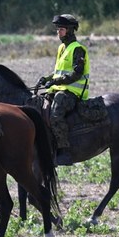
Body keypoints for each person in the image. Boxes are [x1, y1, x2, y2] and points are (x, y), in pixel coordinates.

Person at [36, 14, 90, 165]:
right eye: (57, 29)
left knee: (55, 115)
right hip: (59, 89)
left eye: (61, 29)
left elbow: (76, 74)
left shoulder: (78, 49)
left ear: (71, 30)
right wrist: (46, 78)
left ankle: (65, 152)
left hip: (73, 92)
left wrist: (55, 81)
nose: (58, 32)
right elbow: (59, 71)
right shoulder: (62, 48)